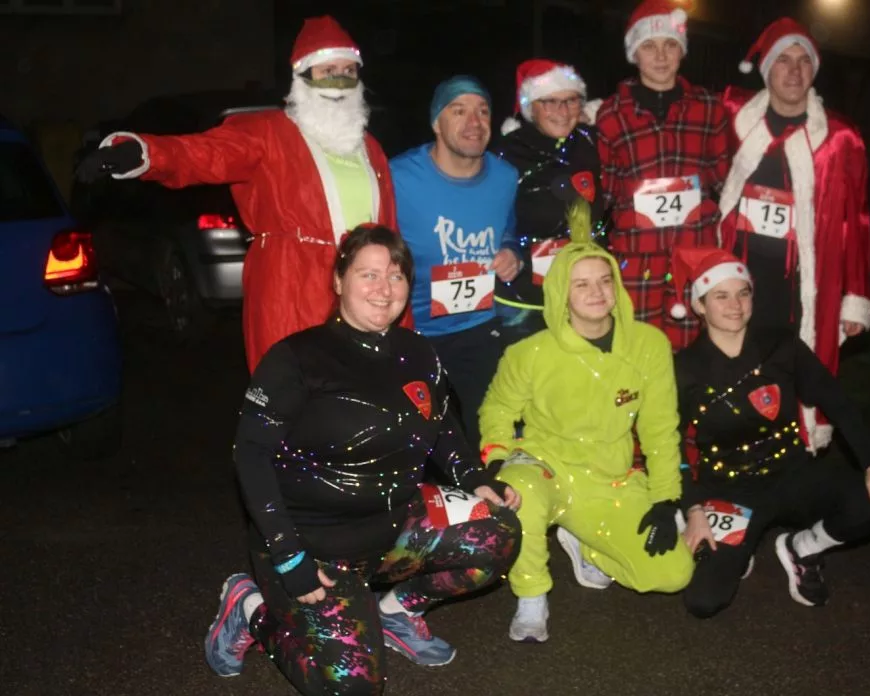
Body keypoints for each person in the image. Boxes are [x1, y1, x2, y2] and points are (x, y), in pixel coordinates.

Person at [202, 225, 522, 694]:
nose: (383, 289)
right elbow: (250, 455)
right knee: (351, 689)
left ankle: (397, 612)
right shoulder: (296, 357)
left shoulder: (418, 352)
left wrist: (476, 479)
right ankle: (251, 609)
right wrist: (289, 555)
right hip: (313, 550)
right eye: (368, 274)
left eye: (395, 276)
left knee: (499, 531)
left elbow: (442, 430)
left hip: (394, 528)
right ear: (338, 280)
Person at [74, 15, 402, 373]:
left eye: (348, 71)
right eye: (328, 71)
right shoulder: (268, 134)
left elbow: (391, 238)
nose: (340, 81)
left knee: (370, 387)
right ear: (304, 77)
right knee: (296, 390)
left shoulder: (370, 150)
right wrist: (143, 153)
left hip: (366, 289)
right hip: (291, 284)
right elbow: (206, 154)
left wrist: (404, 332)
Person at [479, 200, 693, 643]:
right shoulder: (529, 354)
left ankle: (586, 540)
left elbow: (659, 428)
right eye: (581, 284)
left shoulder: (649, 345)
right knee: (521, 494)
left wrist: (666, 498)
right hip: (545, 465)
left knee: (673, 573)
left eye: (604, 280)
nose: (596, 292)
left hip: (608, 478)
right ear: (562, 292)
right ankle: (532, 595)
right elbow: (496, 410)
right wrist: (497, 461)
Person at [667, 246, 870, 618]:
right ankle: (734, 545)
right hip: (731, 489)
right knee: (704, 600)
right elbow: (669, 444)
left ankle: (803, 548)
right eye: (721, 296)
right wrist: (693, 508)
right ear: (699, 305)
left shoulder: (781, 346)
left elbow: (837, 402)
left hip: (791, 472)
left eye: (743, 293)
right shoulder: (685, 368)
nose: (735, 305)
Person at [716, 17, 870, 450]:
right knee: (734, 364)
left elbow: (857, 219)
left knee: (793, 369)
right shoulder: (734, 117)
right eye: (783, 60)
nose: (794, 71)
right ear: (766, 68)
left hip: (801, 283)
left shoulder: (840, 138)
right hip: (738, 271)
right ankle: (732, 452)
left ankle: (787, 457)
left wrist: (856, 297)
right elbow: (676, 108)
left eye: (804, 61)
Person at [390, 76, 522, 450]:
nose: (474, 122)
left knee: (484, 436)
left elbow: (510, 232)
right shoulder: (398, 176)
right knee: (415, 444)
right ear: (436, 122)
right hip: (413, 330)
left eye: (483, 111)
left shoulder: (505, 177)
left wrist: (512, 254)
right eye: (459, 111)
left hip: (478, 327)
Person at [594, 0, 730, 351]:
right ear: (634, 54)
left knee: (696, 353)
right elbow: (604, 193)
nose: (660, 56)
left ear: (682, 51)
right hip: (637, 258)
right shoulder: (611, 115)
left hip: (695, 253)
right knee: (635, 350)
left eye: (670, 44)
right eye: (649, 46)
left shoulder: (709, 109)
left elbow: (725, 178)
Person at [492, 58, 605, 344]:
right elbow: (486, 215)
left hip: (587, 294)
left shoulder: (593, 143)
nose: (562, 111)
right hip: (525, 300)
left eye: (571, 100)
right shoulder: (507, 152)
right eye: (550, 102)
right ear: (531, 107)